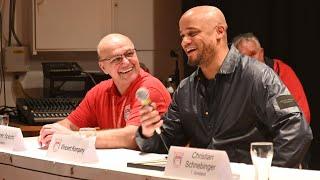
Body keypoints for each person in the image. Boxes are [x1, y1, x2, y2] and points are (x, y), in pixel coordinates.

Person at [135, 6, 312, 168]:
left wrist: (265, 172)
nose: (184, 42)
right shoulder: (185, 89)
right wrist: (148, 132)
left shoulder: (259, 76)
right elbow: (165, 143)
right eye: (182, 36)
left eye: (192, 33)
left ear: (219, 32)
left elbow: (297, 131)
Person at [38, 33, 171, 149]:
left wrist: (76, 137)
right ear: (103, 67)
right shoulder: (99, 91)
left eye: (130, 54)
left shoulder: (149, 88)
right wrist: (51, 131)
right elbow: (70, 125)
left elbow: (133, 137)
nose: (126, 62)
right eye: (117, 59)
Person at [232, 32, 311, 123]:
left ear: (261, 53)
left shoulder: (281, 72)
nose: (249, 61)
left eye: (253, 54)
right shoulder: (233, 80)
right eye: (243, 57)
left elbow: (301, 117)